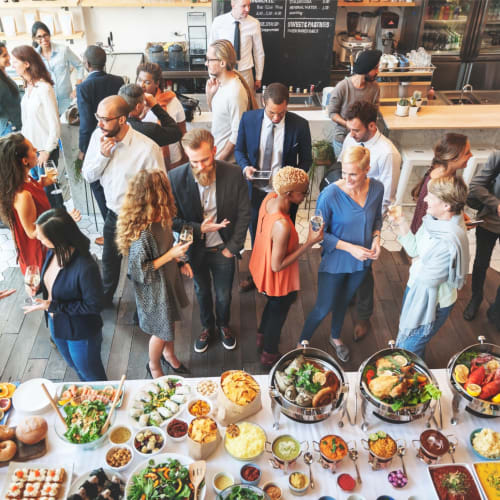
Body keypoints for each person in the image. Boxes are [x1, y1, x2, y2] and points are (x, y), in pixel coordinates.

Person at [168, 129, 250, 353]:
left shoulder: (233, 174)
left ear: (214, 151)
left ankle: (223, 325)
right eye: (194, 162)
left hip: (223, 248)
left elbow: (244, 214)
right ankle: (207, 327)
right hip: (195, 250)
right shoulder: (175, 178)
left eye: (205, 159)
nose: (201, 166)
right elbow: (171, 220)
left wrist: (232, 248)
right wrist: (198, 228)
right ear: (186, 155)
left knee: (223, 294)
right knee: (201, 291)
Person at [299, 146, 384, 363]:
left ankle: (335, 336)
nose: (346, 178)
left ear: (367, 169)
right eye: (344, 172)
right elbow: (317, 234)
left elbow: (376, 220)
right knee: (323, 306)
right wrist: (350, 248)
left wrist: (376, 238)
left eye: (353, 174)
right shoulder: (329, 195)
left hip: (361, 263)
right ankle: (302, 342)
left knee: (344, 301)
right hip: (336, 261)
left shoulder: (377, 189)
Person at [82, 95, 164, 307]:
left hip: (141, 218)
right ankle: (105, 301)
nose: (99, 123)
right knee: (109, 262)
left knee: (141, 267)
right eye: (97, 117)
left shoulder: (147, 149)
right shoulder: (97, 137)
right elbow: (88, 176)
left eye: (105, 119)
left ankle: (144, 311)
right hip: (113, 214)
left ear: (121, 119)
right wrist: (102, 155)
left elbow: (161, 190)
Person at [117, 169, 192, 378]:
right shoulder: (143, 234)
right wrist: (171, 255)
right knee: (160, 331)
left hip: (167, 280)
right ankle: (154, 366)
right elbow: (139, 272)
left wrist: (178, 262)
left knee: (170, 323)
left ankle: (169, 355)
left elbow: (166, 249)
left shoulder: (161, 219)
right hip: (154, 290)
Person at [250, 167, 323, 367]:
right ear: (289, 194)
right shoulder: (281, 225)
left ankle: (261, 335)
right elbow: (277, 265)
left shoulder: (271, 198)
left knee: (272, 306)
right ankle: (269, 354)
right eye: (304, 192)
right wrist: (309, 242)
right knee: (278, 313)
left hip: (261, 267)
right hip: (277, 278)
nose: (306, 195)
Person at [23, 208, 107, 382]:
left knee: (92, 375)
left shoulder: (85, 267)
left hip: (80, 332)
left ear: (57, 239)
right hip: (56, 323)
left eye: (42, 236)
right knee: (75, 366)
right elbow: (52, 282)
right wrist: (38, 287)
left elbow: (94, 305)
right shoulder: (53, 252)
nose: (37, 237)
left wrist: (52, 306)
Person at [341, 100, 402, 340]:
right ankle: (348, 295)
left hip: (367, 220)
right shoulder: (352, 139)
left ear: (372, 126)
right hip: (345, 214)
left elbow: (387, 197)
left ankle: (364, 317)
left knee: (363, 270)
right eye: (350, 129)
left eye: (356, 130)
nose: (351, 134)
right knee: (344, 259)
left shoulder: (388, 154)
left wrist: (373, 229)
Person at [392, 176, 469, 359]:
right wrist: (401, 222)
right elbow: (414, 251)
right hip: (415, 289)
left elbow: (428, 278)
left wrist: (420, 260)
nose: (425, 199)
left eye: (431, 196)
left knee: (404, 351)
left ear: (446, 206)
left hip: (433, 302)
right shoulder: (432, 222)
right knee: (413, 348)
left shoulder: (449, 240)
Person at [235, 82, 312, 243]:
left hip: (284, 195)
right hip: (255, 192)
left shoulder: (300, 125)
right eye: (272, 113)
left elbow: (306, 160)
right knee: (257, 235)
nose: (276, 118)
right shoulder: (248, 119)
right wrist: (245, 167)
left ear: (287, 105)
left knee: (282, 239)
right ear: (264, 102)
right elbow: (239, 151)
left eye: (281, 113)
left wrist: (292, 180)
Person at [77, 45, 125, 232]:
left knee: (96, 182)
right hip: (120, 136)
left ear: (87, 64)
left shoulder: (84, 87)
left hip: (97, 140)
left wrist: (83, 149)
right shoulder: (118, 80)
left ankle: (109, 223)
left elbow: (86, 121)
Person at [0, 133, 54, 274]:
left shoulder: (25, 178)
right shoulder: (23, 195)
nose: (36, 149)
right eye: (32, 149)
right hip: (40, 253)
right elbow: (31, 232)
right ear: (24, 161)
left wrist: (40, 184)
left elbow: (33, 196)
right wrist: (63, 221)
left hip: (45, 246)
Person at [463, 151, 500, 328]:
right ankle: (476, 297)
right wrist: (497, 204)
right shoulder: (497, 157)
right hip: (489, 222)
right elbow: (476, 186)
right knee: (481, 263)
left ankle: (497, 311)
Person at [205, 39, 256, 162]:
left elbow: (237, 133)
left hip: (228, 162)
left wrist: (220, 160)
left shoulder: (235, 92)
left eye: (209, 60)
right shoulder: (221, 85)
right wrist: (210, 94)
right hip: (218, 155)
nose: (206, 64)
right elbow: (217, 114)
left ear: (222, 63)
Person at [410, 133, 472, 234]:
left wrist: (461, 216)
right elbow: (425, 223)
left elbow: (449, 205)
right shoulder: (436, 185)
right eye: (467, 153)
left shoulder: (449, 172)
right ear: (453, 158)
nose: (471, 155)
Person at [11, 45, 60, 170]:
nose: (13, 65)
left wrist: (47, 151)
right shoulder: (28, 87)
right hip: (30, 152)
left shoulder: (44, 88)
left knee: (49, 189)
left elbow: (55, 124)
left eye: (16, 62)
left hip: (44, 152)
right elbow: (27, 123)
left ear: (27, 64)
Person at [327, 49, 381, 159]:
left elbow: (374, 114)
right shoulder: (343, 87)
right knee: (345, 171)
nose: (377, 72)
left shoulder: (375, 88)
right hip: (342, 140)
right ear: (366, 68)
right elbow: (332, 113)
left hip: (365, 142)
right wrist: (347, 124)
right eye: (375, 68)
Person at [136, 62, 188, 169]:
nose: (142, 85)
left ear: (157, 83)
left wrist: (185, 156)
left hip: (173, 159)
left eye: (147, 82)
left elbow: (182, 131)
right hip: (146, 161)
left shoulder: (172, 101)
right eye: (139, 80)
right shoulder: (133, 104)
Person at [210, 0, 265, 91]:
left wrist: (258, 77)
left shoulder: (254, 23)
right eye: (243, 6)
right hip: (224, 71)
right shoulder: (218, 22)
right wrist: (212, 75)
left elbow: (259, 52)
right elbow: (212, 51)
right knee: (225, 102)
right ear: (233, 5)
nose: (247, 9)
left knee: (247, 102)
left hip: (246, 73)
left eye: (249, 6)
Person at [32, 21, 84, 113]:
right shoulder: (34, 56)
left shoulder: (63, 50)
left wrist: (77, 87)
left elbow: (80, 65)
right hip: (47, 101)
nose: (43, 39)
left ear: (49, 35)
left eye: (45, 35)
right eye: (39, 37)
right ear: (34, 39)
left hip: (66, 100)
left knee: (68, 126)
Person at [117, 83, 182, 152]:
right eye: (143, 102)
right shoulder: (150, 130)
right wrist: (155, 106)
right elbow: (176, 133)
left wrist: (138, 119)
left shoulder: (112, 125)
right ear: (138, 107)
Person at [0, 42, 21, 136]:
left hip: (15, 125)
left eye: (7, 54)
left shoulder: (4, 75)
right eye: (4, 55)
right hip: (10, 128)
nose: (9, 57)